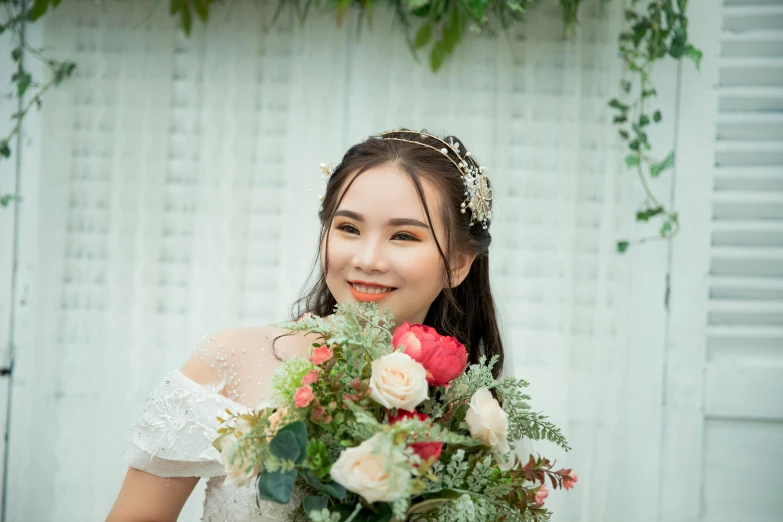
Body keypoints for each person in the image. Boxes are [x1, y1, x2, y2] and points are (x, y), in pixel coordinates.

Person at [106, 129, 506, 522]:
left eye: (403, 235)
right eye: (348, 228)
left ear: (457, 263)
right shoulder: (229, 361)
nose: (368, 259)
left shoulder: (469, 412)